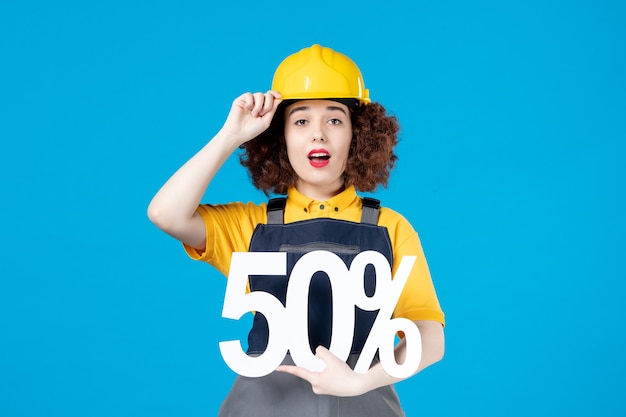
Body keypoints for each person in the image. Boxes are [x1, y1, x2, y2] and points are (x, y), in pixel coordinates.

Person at [148, 44, 445, 417]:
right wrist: (231, 135)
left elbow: (430, 337)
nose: (318, 135)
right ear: (280, 137)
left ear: (358, 134)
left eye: (334, 119)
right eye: (301, 121)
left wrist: (358, 382)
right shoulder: (249, 227)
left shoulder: (391, 229)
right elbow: (165, 214)